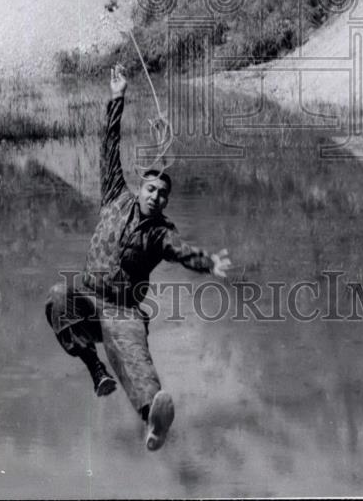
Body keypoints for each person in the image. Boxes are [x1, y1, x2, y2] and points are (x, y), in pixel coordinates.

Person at [45, 65, 231, 451]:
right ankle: (95, 369)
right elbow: (108, 147)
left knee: (136, 364)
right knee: (56, 297)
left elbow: (182, 252)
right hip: (86, 296)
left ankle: (153, 422)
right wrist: (118, 96)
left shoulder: (161, 232)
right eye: (150, 189)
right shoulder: (115, 195)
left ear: (166, 201)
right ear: (140, 186)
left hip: (123, 310)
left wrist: (209, 263)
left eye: (162, 194)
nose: (155, 197)